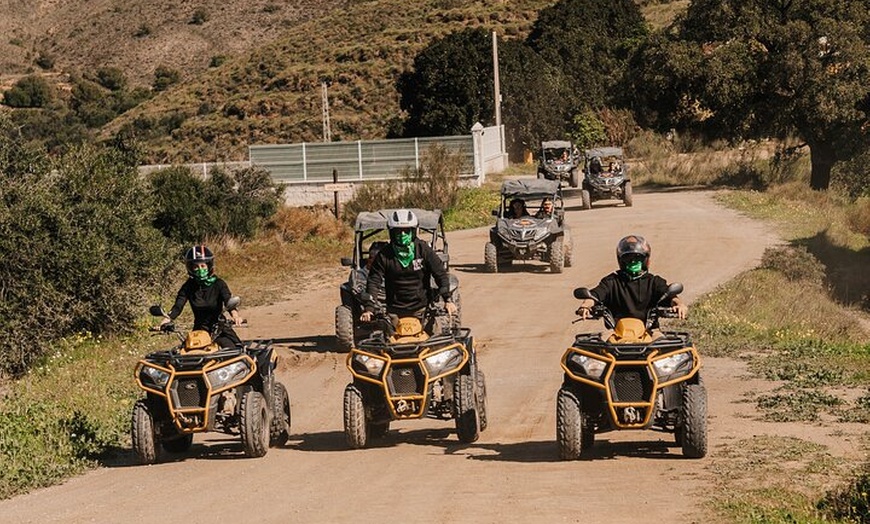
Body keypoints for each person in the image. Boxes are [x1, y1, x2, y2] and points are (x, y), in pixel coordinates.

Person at [360, 209, 457, 331]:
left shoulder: (424, 250)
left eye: (406, 231)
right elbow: (374, 281)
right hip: (394, 312)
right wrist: (369, 308)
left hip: (422, 310)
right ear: (391, 233)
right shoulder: (384, 255)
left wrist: (448, 299)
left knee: (436, 342)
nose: (402, 235)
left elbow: (440, 274)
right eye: (398, 231)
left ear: (413, 231)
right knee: (386, 343)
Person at [576, 235, 687, 326]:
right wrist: (585, 306)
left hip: (650, 333)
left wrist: (679, 305)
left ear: (646, 260)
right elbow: (595, 295)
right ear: (621, 260)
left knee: (681, 351)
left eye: (638, 258)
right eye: (628, 259)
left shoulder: (654, 282)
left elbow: (670, 295)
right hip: (615, 335)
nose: (633, 262)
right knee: (584, 351)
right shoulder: (611, 282)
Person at [160, 245, 244, 348]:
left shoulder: (218, 284)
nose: (200, 269)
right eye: (196, 267)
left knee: (236, 352)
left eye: (203, 266)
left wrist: (235, 316)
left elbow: (228, 301)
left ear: (209, 266)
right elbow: (178, 306)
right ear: (190, 268)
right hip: (199, 331)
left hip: (220, 329)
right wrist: (166, 320)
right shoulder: (188, 287)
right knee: (183, 355)